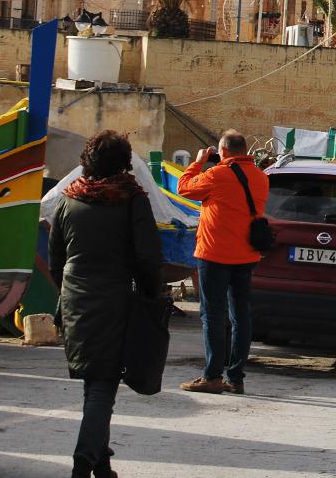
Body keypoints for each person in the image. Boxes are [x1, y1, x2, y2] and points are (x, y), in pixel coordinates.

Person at [50, 131, 162, 478]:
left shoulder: (68, 201)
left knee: (96, 381)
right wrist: (150, 294)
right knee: (102, 385)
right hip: (115, 300)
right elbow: (147, 257)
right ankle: (83, 462)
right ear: (124, 162)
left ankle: (102, 464)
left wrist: (69, 291)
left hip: (74, 300)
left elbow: (56, 260)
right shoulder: (131, 200)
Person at [176, 130, 269, 394]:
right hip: (246, 256)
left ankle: (212, 375)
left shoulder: (217, 175)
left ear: (224, 151)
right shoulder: (261, 178)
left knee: (212, 315)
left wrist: (198, 161)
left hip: (214, 255)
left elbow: (184, 187)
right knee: (241, 316)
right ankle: (236, 377)